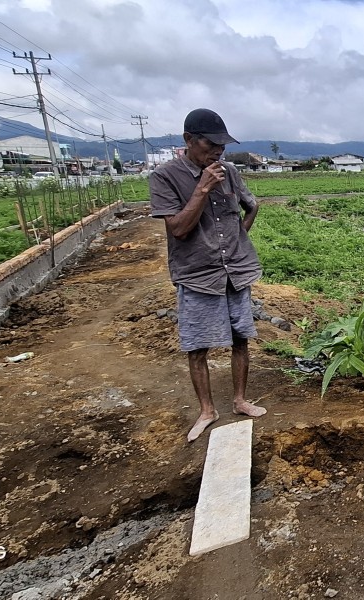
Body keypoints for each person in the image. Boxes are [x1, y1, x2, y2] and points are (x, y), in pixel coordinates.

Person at [149, 108, 266, 442]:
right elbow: (179, 228)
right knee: (197, 345)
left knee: (241, 337)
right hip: (198, 275)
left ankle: (240, 400)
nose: (218, 152)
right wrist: (201, 189)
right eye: (211, 144)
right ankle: (206, 410)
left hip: (235, 272)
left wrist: (238, 238)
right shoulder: (165, 177)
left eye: (222, 146)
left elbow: (251, 205)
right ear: (189, 140)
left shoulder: (229, 172)